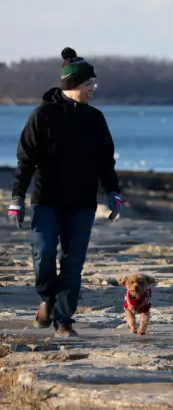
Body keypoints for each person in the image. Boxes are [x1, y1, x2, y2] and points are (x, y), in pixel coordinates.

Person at [6, 47, 123, 338]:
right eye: (88, 84)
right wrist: (17, 198)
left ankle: (63, 321)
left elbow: (105, 160)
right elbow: (26, 160)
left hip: (83, 204)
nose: (92, 89)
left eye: (93, 84)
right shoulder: (42, 116)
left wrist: (113, 191)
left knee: (73, 263)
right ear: (72, 86)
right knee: (44, 253)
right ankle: (47, 298)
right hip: (47, 202)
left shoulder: (95, 119)